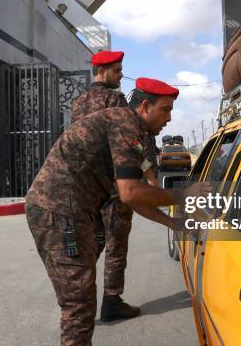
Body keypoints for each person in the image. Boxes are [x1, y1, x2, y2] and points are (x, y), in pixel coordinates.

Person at [25, 77, 211, 345]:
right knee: (78, 305)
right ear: (146, 106)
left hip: (69, 210)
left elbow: (131, 198)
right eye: (166, 109)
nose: (169, 118)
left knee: (80, 298)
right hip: (60, 212)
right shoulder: (126, 124)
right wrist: (181, 194)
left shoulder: (128, 125)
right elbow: (131, 192)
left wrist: (174, 224)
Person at [71, 52, 159, 322]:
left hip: (88, 183)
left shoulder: (78, 102)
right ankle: (112, 301)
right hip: (114, 181)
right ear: (102, 71)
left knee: (94, 240)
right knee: (116, 242)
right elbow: (133, 138)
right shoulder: (116, 100)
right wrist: (148, 170)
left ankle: (78, 292)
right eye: (117, 71)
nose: (121, 75)